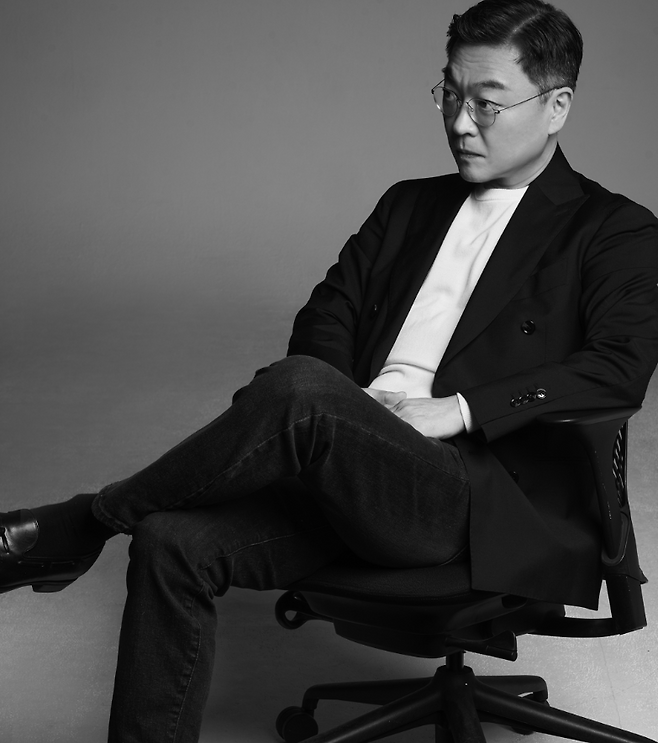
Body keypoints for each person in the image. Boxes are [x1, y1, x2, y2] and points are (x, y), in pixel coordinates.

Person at [2, 1, 658, 741]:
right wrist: (349, 416)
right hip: (346, 467)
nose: (460, 122)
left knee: (300, 389)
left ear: (556, 106)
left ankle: (82, 523)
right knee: (172, 541)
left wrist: (458, 409)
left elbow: (618, 369)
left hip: (470, 499)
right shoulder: (408, 205)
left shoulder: (614, 230)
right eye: (449, 95)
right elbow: (326, 317)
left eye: (487, 103)